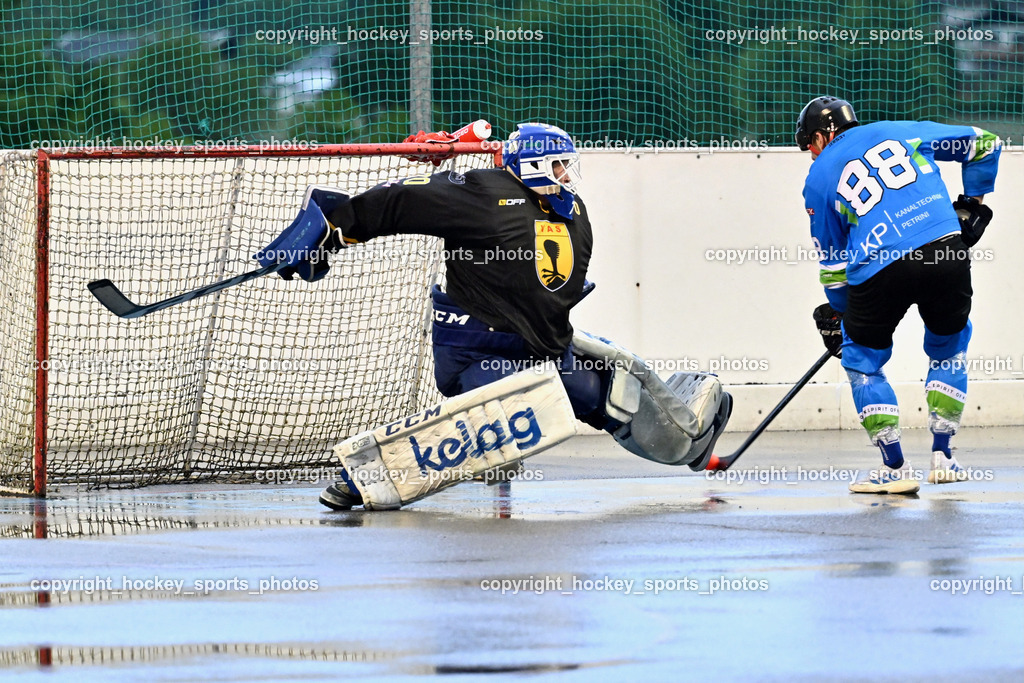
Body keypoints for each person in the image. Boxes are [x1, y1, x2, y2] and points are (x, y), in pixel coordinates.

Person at [259, 122, 731, 509]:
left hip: (539, 346)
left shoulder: (573, 211)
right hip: (476, 350)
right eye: (559, 166)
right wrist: (333, 229)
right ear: (533, 166)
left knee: (607, 393)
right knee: (510, 410)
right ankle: (362, 477)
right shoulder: (483, 193)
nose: (567, 176)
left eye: (568, 166)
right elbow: (400, 200)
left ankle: (686, 444)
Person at [797, 96, 1000, 494]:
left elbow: (834, 266)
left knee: (863, 362)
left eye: (809, 144)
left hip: (879, 264)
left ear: (822, 136)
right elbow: (985, 143)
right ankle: (944, 458)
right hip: (944, 247)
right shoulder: (899, 131)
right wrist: (971, 205)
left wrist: (844, 317)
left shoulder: (818, 179)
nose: (810, 154)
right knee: (950, 345)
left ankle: (894, 468)